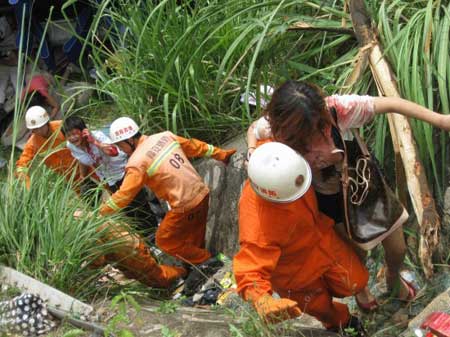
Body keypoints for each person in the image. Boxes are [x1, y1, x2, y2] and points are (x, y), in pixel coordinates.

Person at [246, 79, 450, 310]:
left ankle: (393, 278)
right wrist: (252, 151)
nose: (312, 135)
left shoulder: (338, 109)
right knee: (355, 256)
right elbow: (254, 129)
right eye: (302, 135)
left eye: (316, 126)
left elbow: (392, 104)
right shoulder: (276, 128)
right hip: (328, 201)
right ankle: (361, 289)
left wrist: (440, 120)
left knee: (397, 248)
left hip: (365, 188)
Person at [233, 142, 368, 336]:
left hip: (322, 240)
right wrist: (262, 300)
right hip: (295, 273)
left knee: (355, 280)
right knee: (322, 308)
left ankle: (360, 298)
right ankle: (343, 323)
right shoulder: (258, 225)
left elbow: (264, 125)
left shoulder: (274, 152)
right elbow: (249, 270)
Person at [98, 117, 236, 268]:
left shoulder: (136, 163)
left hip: (184, 204)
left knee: (164, 241)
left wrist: (101, 212)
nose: (120, 149)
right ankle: (202, 265)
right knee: (193, 241)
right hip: (202, 193)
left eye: (119, 145)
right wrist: (221, 154)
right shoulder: (165, 136)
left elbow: (124, 195)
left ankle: (208, 261)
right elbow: (195, 146)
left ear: (129, 140)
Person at [63, 116, 161, 230]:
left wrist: (95, 142)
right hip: (109, 178)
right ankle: (147, 231)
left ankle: (156, 223)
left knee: (139, 201)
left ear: (84, 131)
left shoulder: (97, 136)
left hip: (122, 170)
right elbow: (83, 160)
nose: (72, 138)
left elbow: (113, 152)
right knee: (128, 208)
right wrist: (82, 176)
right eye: (68, 135)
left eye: (74, 134)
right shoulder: (71, 146)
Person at [15, 105, 80, 188]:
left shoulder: (62, 126)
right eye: (34, 129)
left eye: (41, 127)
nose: (38, 131)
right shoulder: (33, 143)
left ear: (47, 123)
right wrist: (26, 182)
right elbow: (21, 165)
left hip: (85, 165)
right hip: (69, 177)